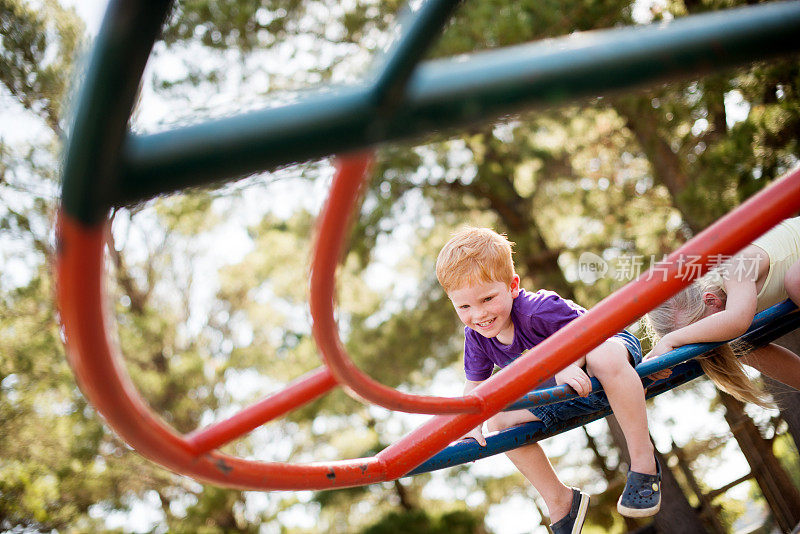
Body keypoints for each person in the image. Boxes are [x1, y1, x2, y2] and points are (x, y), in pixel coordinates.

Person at [436, 227, 660, 533]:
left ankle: (643, 464)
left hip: (607, 357)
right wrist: (468, 426)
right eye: (464, 306)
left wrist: (569, 361)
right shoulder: (477, 338)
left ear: (512, 286)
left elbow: (590, 332)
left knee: (599, 355)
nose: (479, 314)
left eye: (488, 298)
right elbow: (475, 387)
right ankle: (560, 501)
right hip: (571, 391)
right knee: (498, 419)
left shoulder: (538, 310)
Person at [645, 216, 800, 400]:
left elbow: (738, 319)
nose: (703, 333)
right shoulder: (733, 298)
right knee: (743, 347)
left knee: (795, 280)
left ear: (711, 300)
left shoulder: (732, 266)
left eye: (698, 328)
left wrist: (671, 340)